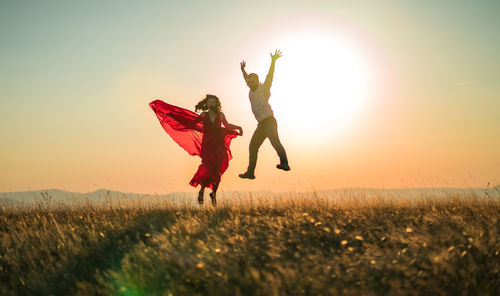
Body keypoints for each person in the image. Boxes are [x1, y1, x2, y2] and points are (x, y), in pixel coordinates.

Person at [149, 95, 242, 205]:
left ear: (217, 103)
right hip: (207, 144)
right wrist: (174, 116)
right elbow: (192, 122)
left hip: (219, 144)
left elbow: (227, 125)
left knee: (218, 171)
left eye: (213, 102)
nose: (211, 103)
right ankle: (202, 191)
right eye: (209, 102)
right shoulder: (203, 114)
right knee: (208, 168)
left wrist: (238, 127)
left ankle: (213, 194)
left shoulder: (221, 115)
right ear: (207, 104)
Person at [239, 49, 290, 180]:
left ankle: (284, 163)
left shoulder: (264, 88)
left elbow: (270, 75)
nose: (249, 84)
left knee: (275, 142)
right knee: (253, 146)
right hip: (261, 124)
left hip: (269, 121)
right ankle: (250, 173)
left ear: (257, 81)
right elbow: (246, 78)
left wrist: (273, 61)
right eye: (248, 82)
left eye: (252, 81)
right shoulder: (250, 88)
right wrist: (243, 70)